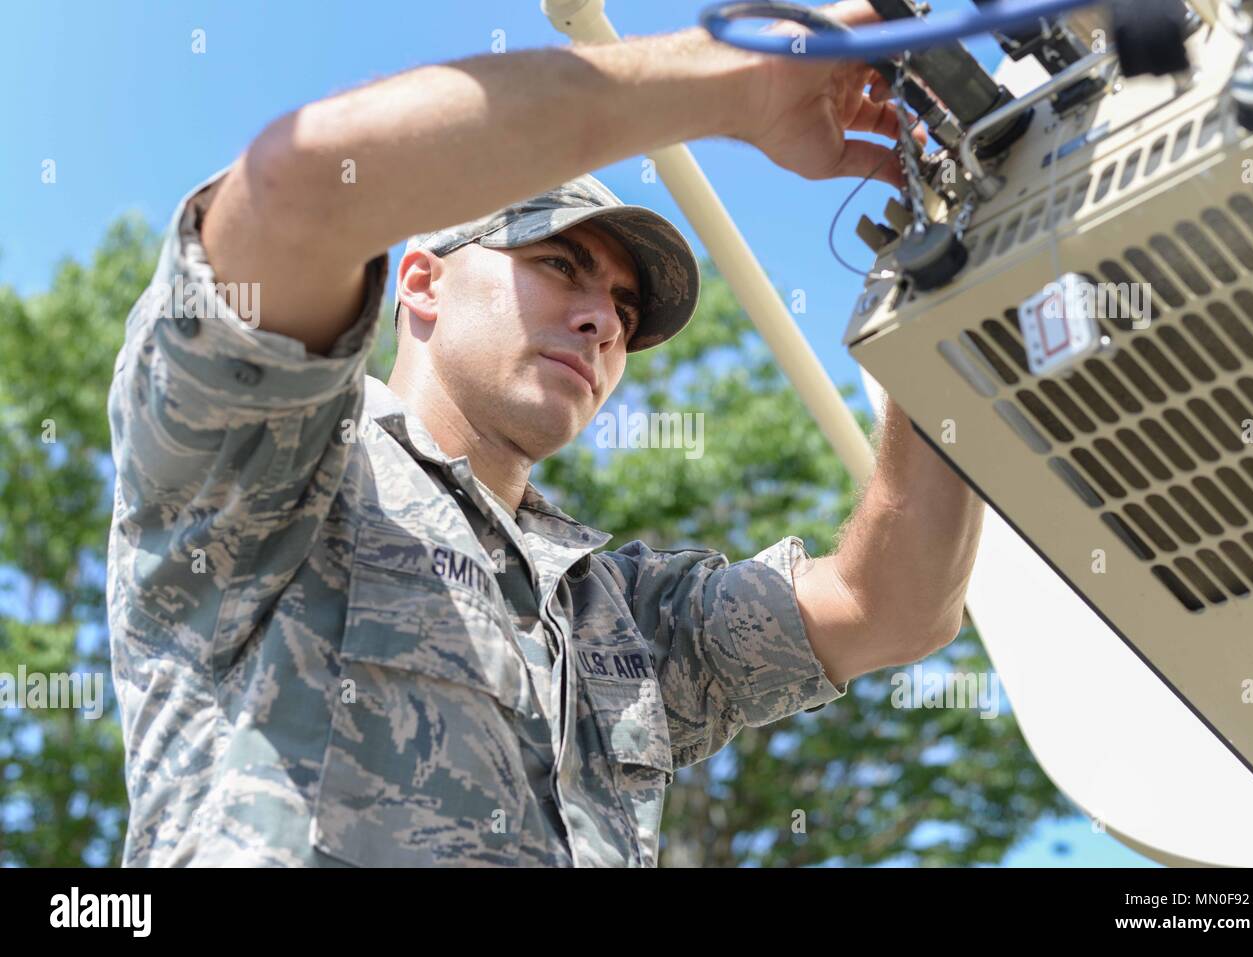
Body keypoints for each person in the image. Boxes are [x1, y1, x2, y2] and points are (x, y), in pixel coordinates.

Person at [106, 0, 984, 867]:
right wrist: (742, 84)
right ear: (420, 282)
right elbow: (296, 189)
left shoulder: (612, 614)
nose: (604, 320)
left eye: (626, 307)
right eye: (559, 264)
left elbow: (892, 604)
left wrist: (951, 272)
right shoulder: (284, 470)